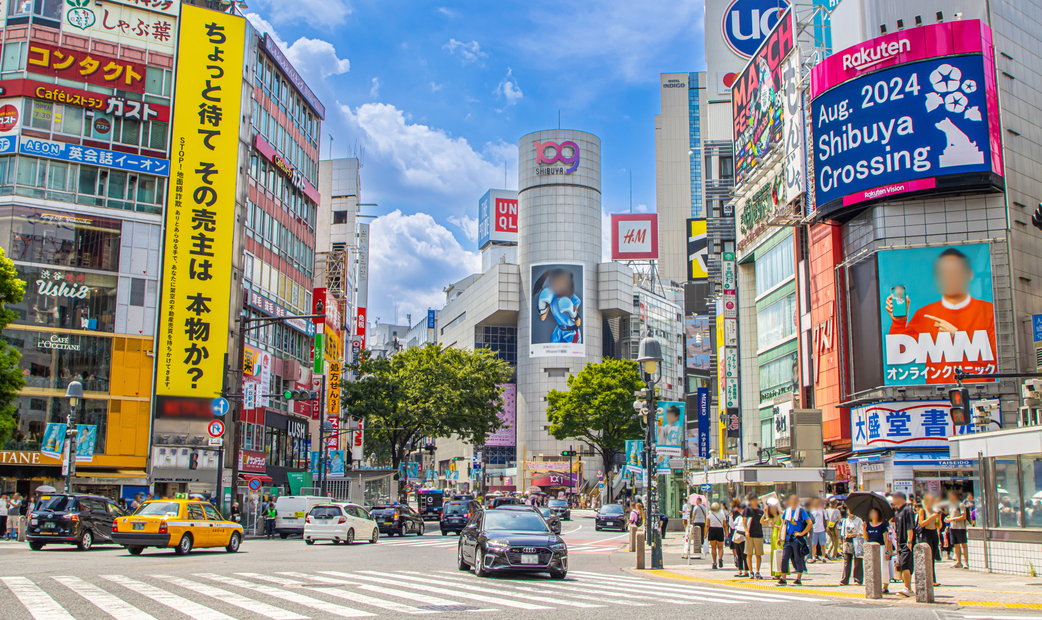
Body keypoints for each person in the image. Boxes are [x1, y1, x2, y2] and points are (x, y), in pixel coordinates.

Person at [885, 247, 996, 384]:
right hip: (936, 396)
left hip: (982, 396)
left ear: (969, 274)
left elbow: (1000, 362)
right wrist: (899, 322)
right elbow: (899, 354)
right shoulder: (924, 314)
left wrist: (958, 335)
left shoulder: (989, 311)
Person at [777, 495, 812, 586]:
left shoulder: (801, 511)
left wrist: (802, 533)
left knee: (798, 558)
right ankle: (783, 578)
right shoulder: (787, 511)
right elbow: (783, 524)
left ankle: (798, 578)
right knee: (784, 558)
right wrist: (780, 537)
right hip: (788, 538)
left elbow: (810, 523)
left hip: (797, 538)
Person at [893, 492, 916, 597]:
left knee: (905, 564)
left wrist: (910, 541)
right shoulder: (897, 512)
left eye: (895, 497)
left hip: (906, 542)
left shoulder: (907, 510)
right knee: (902, 564)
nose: (893, 499)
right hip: (900, 542)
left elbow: (910, 527)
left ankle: (908, 587)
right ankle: (907, 588)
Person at [918, 493, 942, 585]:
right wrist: (931, 517)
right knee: (927, 557)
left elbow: (939, 526)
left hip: (934, 533)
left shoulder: (934, 511)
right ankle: (927, 579)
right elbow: (922, 523)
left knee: (932, 557)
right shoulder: (923, 511)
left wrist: (938, 518)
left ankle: (933, 579)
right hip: (926, 534)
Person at [839, 509, 864, 586]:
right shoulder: (845, 521)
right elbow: (842, 534)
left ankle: (858, 579)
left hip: (857, 541)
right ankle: (845, 579)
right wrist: (842, 544)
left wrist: (854, 534)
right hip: (848, 541)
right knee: (847, 560)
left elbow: (862, 532)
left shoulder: (859, 520)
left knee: (858, 561)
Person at [762, 500, 785, 579]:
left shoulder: (780, 516)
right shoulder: (770, 518)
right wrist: (764, 513)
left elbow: (782, 527)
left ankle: (780, 572)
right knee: (774, 554)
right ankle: (775, 572)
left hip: (779, 536)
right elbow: (761, 521)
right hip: (773, 537)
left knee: (780, 554)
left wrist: (774, 525)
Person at [743, 494, 765, 579]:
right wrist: (746, 531)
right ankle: (751, 571)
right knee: (749, 554)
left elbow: (763, 521)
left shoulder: (761, 511)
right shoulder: (747, 510)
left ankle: (757, 572)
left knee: (758, 554)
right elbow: (744, 522)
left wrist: (766, 512)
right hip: (750, 535)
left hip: (759, 534)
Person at [946, 490, 968, 569]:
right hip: (952, 527)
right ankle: (958, 562)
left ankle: (966, 562)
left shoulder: (960, 505)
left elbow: (963, 517)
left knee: (963, 544)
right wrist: (948, 518)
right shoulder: (951, 505)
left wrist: (952, 519)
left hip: (960, 527)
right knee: (956, 545)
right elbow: (951, 515)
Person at [707, 502, 728, 569]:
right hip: (720, 530)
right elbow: (725, 525)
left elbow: (707, 525)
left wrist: (705, 534)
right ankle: (720, 558)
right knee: (720, 547)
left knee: (713, 547)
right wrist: (726, 533)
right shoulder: (722, 514)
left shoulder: (710, 515)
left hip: (712, 530)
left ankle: (714, 563)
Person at [730, 500, 748, 577]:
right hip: (737, 537)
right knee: (739, 555)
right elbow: (733, 526)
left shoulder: (747, 518)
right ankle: (740, 570)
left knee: (744, 555)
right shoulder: (738, 518)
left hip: (744, 537)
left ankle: (746, 571)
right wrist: (730, 518)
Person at [809, 498, 828, 563]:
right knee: (814, 544)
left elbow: (826, 519)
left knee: (823, 543)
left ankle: (823, 557)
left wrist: (827, 526)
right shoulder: (811, 510)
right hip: (814, 529)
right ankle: (814, 557)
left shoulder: (822, 510)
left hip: (821, 529)